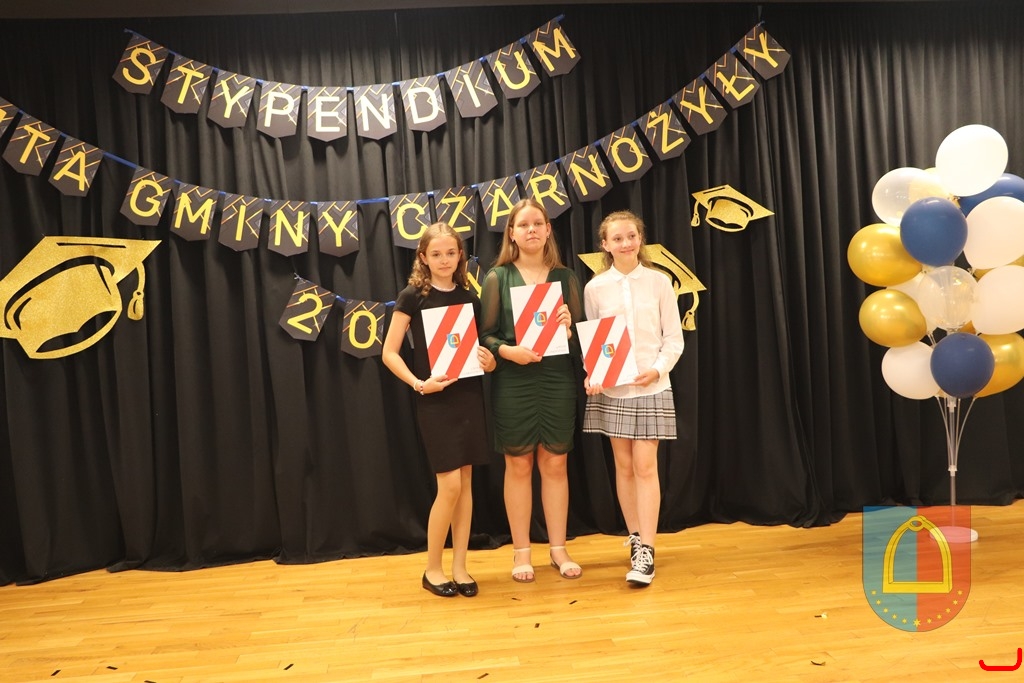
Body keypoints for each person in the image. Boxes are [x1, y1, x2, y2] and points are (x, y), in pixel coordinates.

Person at [382, 222, 496, 598]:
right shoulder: (412, 296)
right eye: (436, 254)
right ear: (423, 257)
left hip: (468, 397)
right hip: (434, 399)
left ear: (460, 255)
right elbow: (389, 353)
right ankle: (432, 569)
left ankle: (460, 567)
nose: (444, 260)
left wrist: (489, 360)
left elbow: (476, 350)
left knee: (465, 485)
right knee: (449, 486)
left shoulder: (469, 298)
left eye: (450, 253)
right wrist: (419, 383)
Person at [479, 198, 585, 582]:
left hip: (556, 379)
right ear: (512, 233)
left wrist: (569, 328)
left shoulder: (565, 277)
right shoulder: (497, 277)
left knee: (555, 463)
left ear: (548, 229)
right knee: (518, 464)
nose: (531, 230)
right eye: (523, 225)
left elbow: (581, 338)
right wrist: (509, 351)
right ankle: (521, 552)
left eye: (537, 223)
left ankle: (558, 549)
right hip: (513, 381)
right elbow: (486, 336)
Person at [582, 210, 684, 587]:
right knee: (623, 468)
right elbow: (595, 344)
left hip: (652, 387)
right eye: (617, 238)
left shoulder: (659, 282)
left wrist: (657, 370)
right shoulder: (595, 288)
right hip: (614, 391)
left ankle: (648, 552)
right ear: (605, 245)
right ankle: (636, 540)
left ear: (640, 239)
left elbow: (674, 339)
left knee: (645, 467)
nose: (626, 243)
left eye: (631, 236)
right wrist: (593, 374)